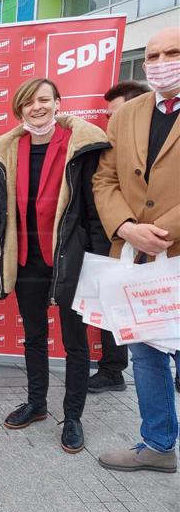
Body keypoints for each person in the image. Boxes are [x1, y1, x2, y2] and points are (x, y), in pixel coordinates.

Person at [0, 77, 110, 453]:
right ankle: (37, 403)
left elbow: (93, 209)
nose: (36, 108)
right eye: (28, 102)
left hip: (70, 257)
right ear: (19, 109)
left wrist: (99, 260)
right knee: (34, 336)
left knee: (74, 341)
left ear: (57, 103)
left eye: (43, 100)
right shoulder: (10, 149)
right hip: (26, 259)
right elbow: (0, 212)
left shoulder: (78, 148)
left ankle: (73, 417)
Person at [94, 27, 180, 473]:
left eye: (172, 53)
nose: (161, 62)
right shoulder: (126, 116)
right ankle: (158, 444)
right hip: (136, 256)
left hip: (174, 252)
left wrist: (156, 230)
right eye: (153, 54)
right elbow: (105, 178)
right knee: (145, 353)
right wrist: (126, 227)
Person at [88, 81, 150, 394]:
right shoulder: (107, 147)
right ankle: (113, 369)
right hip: (111, 239)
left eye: (117, 114)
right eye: (110, 116)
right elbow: (102, 186)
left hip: (161, 242)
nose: (112, 121)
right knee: (113, 308)